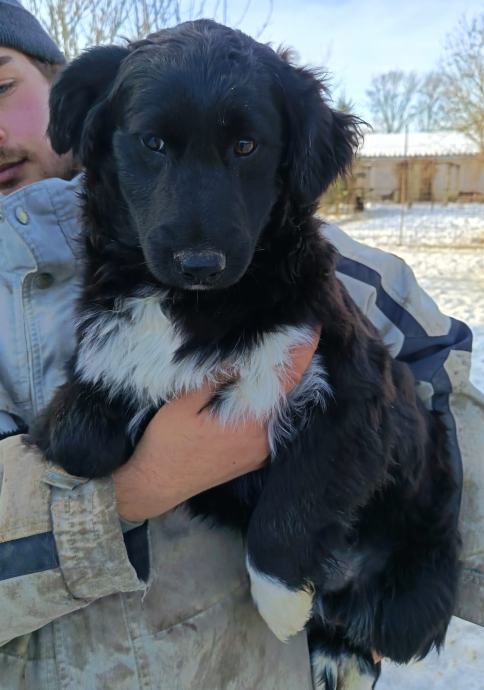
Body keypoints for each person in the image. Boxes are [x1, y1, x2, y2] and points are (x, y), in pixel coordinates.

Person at [0, 1, 482, 687]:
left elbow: (440, 395)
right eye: (155, 145)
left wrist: (394, 571)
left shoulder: (315, 265)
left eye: (0, 86)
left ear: (60, 90)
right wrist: (133, 488)